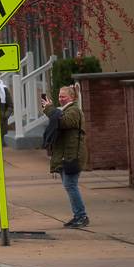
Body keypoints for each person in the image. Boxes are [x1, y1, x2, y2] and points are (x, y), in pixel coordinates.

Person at [41, 85, 89, 228]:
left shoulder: (74, 111)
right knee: (69, 185)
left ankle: (81, 216)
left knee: (70, 185)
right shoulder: (65, 110)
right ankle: (78, 215)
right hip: (66, 156)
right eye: (60, 96)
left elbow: (63, 122)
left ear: (72, 97)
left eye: (64, 97)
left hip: (73, 156)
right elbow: (58, 120)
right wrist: (50, 110)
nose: (60, 99)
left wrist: (50, 109)